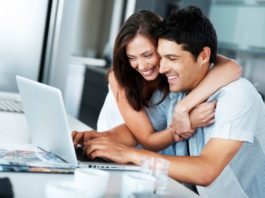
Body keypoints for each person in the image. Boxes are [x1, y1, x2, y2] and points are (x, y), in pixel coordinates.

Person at [83, 6, 265, 197]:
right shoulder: (177, 93)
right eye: (161, 57)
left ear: (203, 55)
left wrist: (129, 154)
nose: (161, 68)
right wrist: (93, 139)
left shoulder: (237, 96)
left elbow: (206, 170)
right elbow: (136, 132)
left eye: (171, 58)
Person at [73, 10, 242, 154]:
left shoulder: (172, 78)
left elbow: (232, 67)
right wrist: (95, 138)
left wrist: (182, 109)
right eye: (132, 57)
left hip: (147, 155)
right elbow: (142, 136)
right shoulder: (121, 78)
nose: (142, 65)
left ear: (162, 46)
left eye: (148, 55)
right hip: (117, 143)